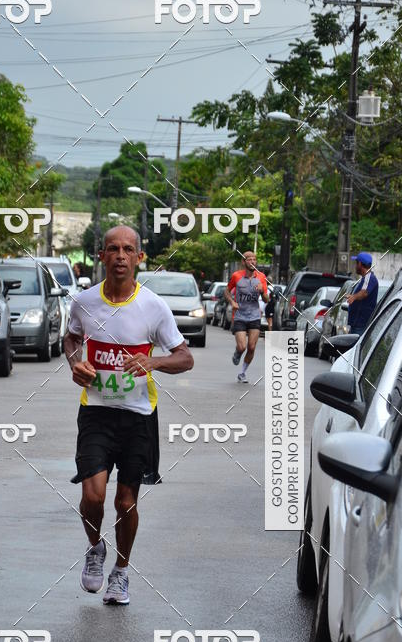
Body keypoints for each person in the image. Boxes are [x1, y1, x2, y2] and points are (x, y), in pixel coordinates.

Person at [64, 226, 193, 605]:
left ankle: (121, 571)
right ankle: (95, 548)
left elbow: (185, 357)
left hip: (138, 415)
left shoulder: (153, 306)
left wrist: (153, 360)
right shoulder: (84, 302)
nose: (120, 256)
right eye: (112, 249)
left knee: (125, 502)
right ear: (101, 257)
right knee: (92, 496)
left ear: (139, 258)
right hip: (96, 413)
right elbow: (71, 338)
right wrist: (76, 362)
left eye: (128, 250)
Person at [225, 251, 269, 383]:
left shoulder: (261, 277)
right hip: (240, 316)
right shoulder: (236, 276)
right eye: (249, 259)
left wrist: (262, 291)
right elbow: (226, 291)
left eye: (254, 259)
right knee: (242, 347)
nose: (252, 262)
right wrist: (232, 302)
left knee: (251, 347)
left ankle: (242, 372)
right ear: (243, 262)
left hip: (255, 316)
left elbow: (266, 300)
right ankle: (238, 352)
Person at [347, 252, 379, 335]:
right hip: (357, 324)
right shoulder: (365, 278)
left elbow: (364, 293)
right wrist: (353, 296)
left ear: (360, 264)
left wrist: (353, 297)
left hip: (361, 325)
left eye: (356, 263)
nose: (355, 266)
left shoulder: (369, 277)